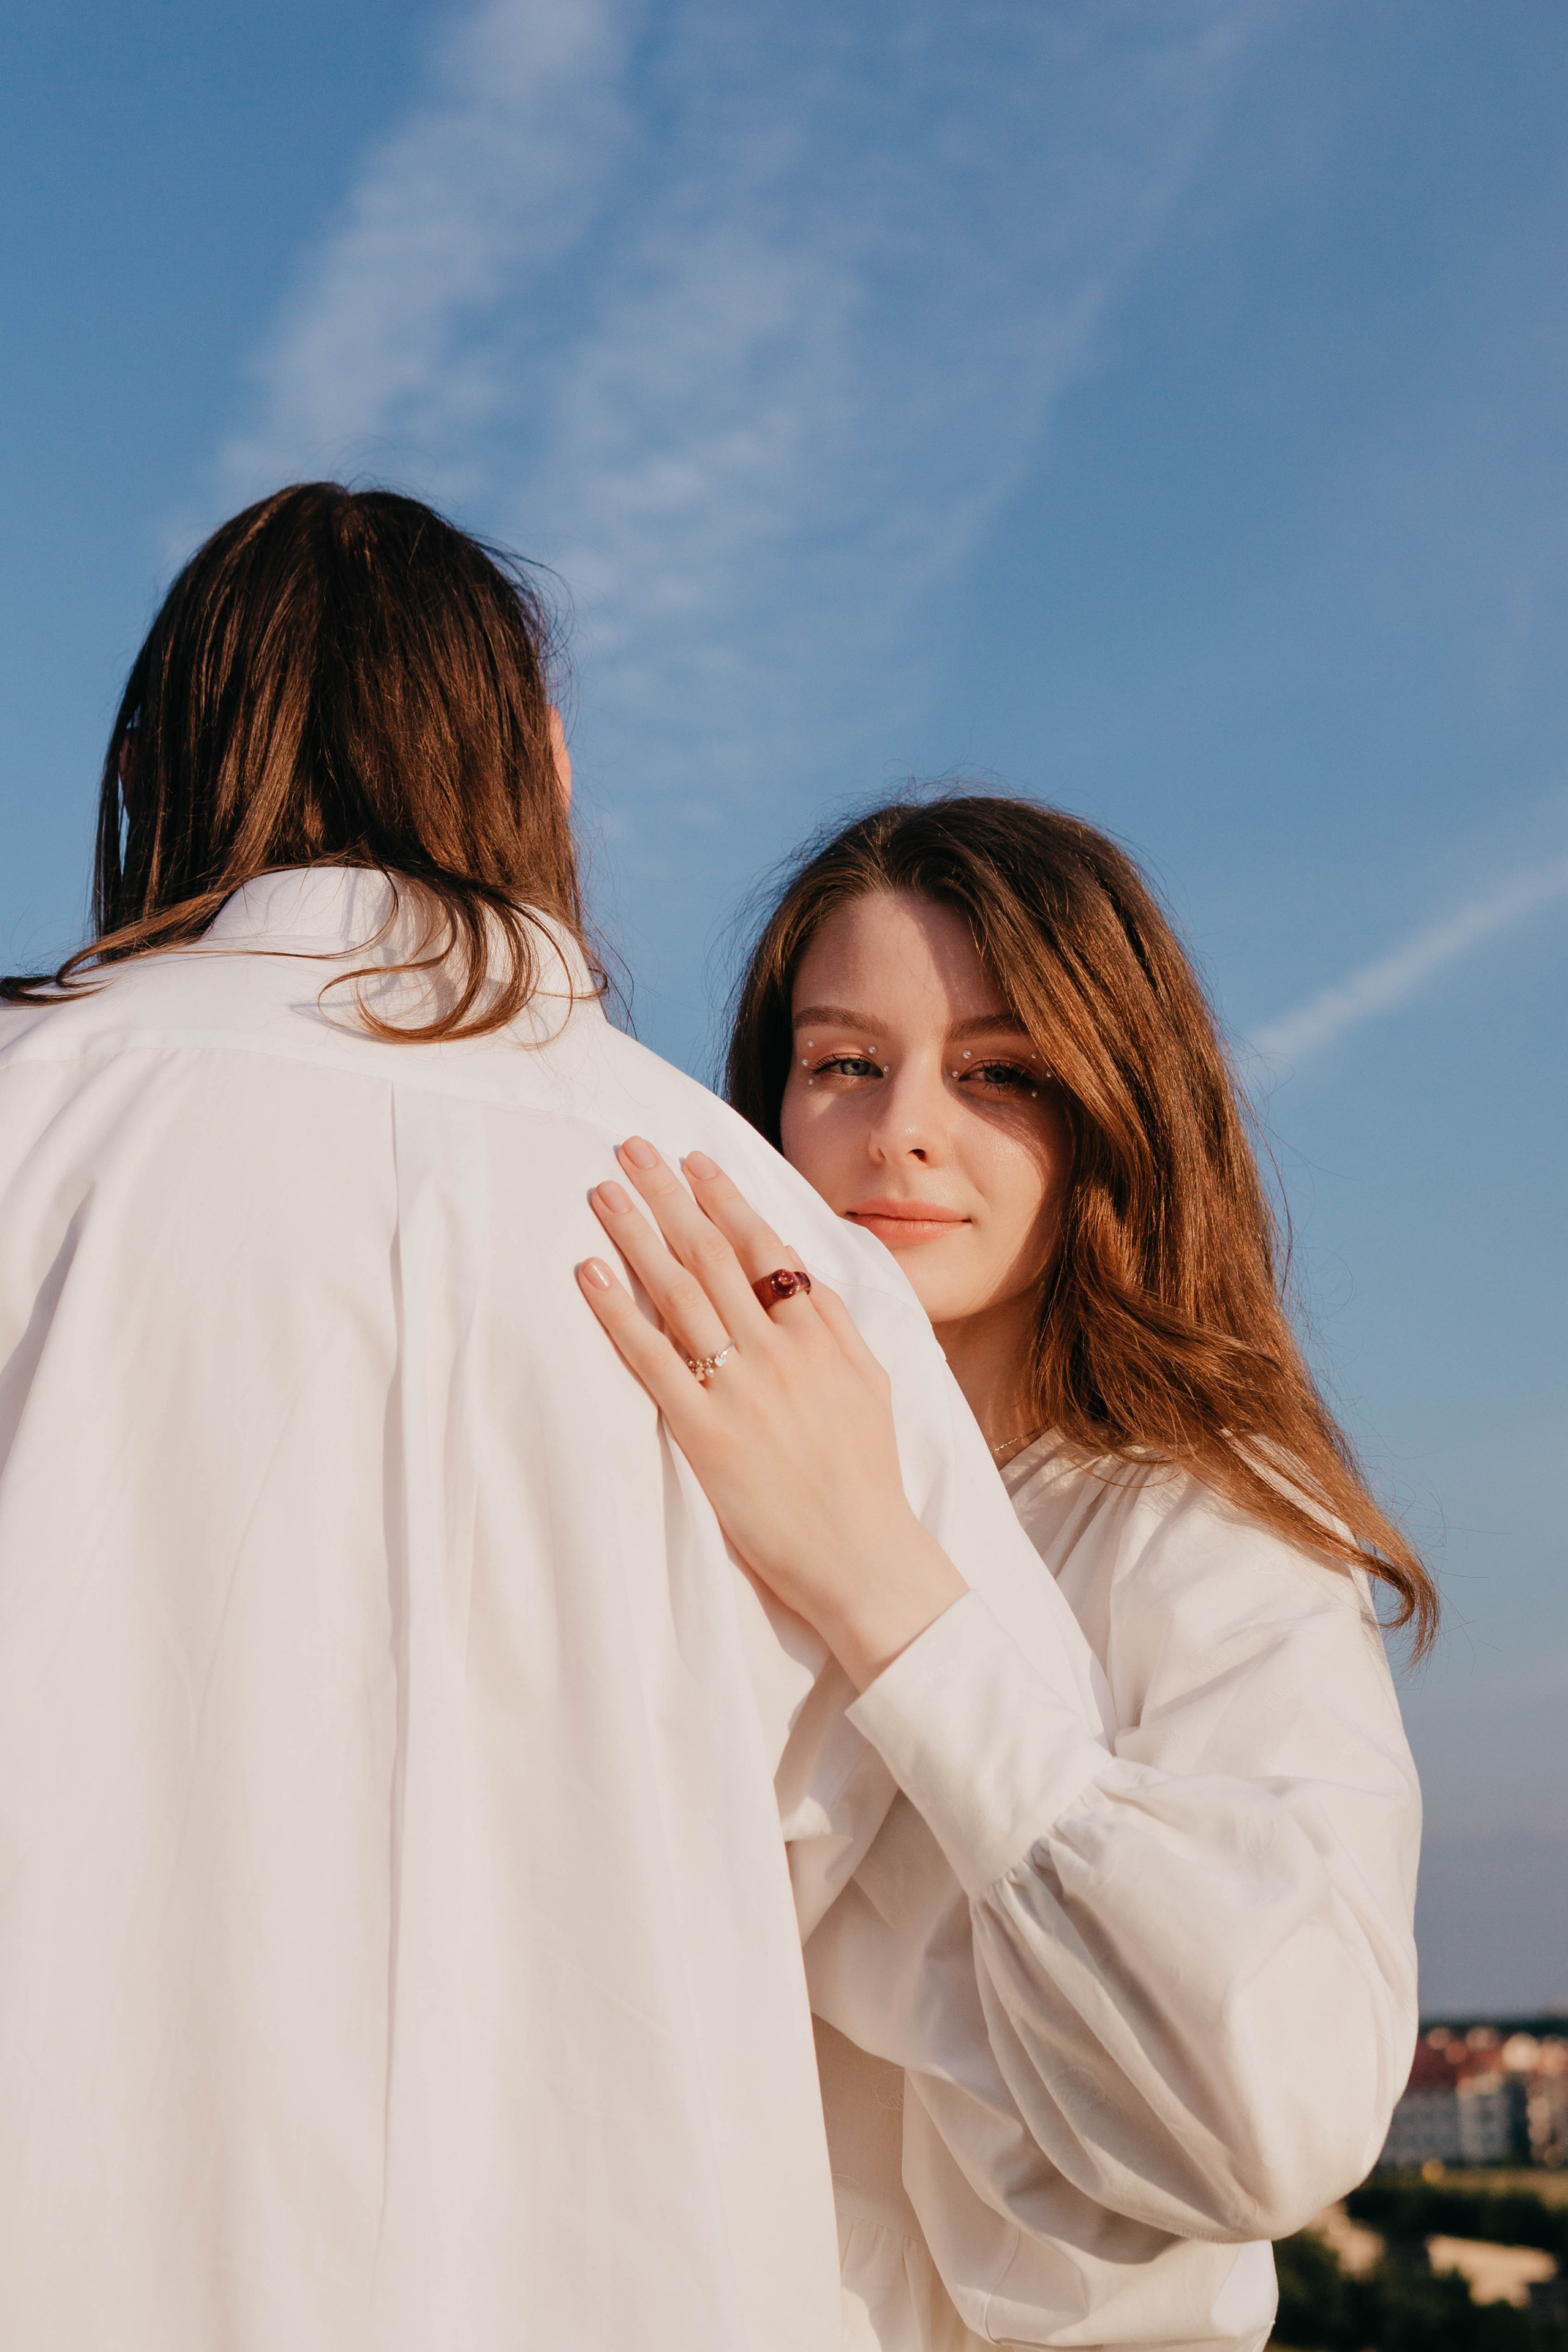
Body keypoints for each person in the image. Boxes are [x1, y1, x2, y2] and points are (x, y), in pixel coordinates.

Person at [0, 496, 1114, 2352]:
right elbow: (1015, 1962)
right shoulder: (779, 1259)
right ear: (549, 773)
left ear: (153, 768)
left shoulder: (29, 1141)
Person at [576, 795, 1429, 2352]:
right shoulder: (674, 1505)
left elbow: (1280, 2110)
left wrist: (886, 1593)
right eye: (843, 1062)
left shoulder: (1210, 1528)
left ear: (1113, 1110)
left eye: (997, 1073)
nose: (902, 1125)